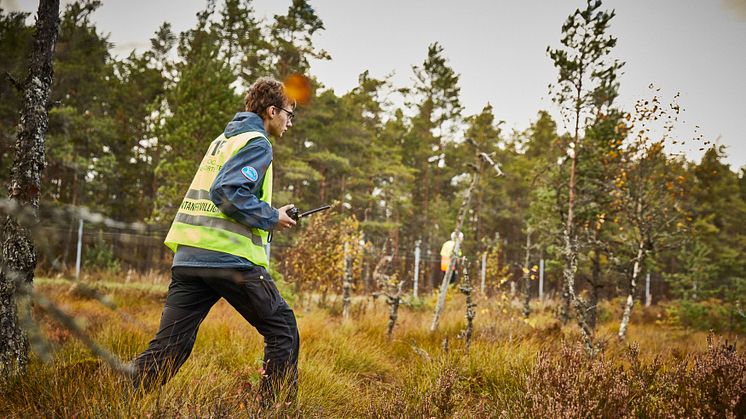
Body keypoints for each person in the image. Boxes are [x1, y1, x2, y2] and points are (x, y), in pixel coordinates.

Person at [131, 77, 299, 400]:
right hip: (228, 260)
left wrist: (270, 212)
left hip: (190, 258)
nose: (290, 122)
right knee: (282, 328)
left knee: (171, 347)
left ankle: (117, 393)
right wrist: (271, 217)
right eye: (289, 114)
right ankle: (275, 409)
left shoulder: (222, 140)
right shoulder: (257, 142)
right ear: (272, 110)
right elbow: (227, 192)